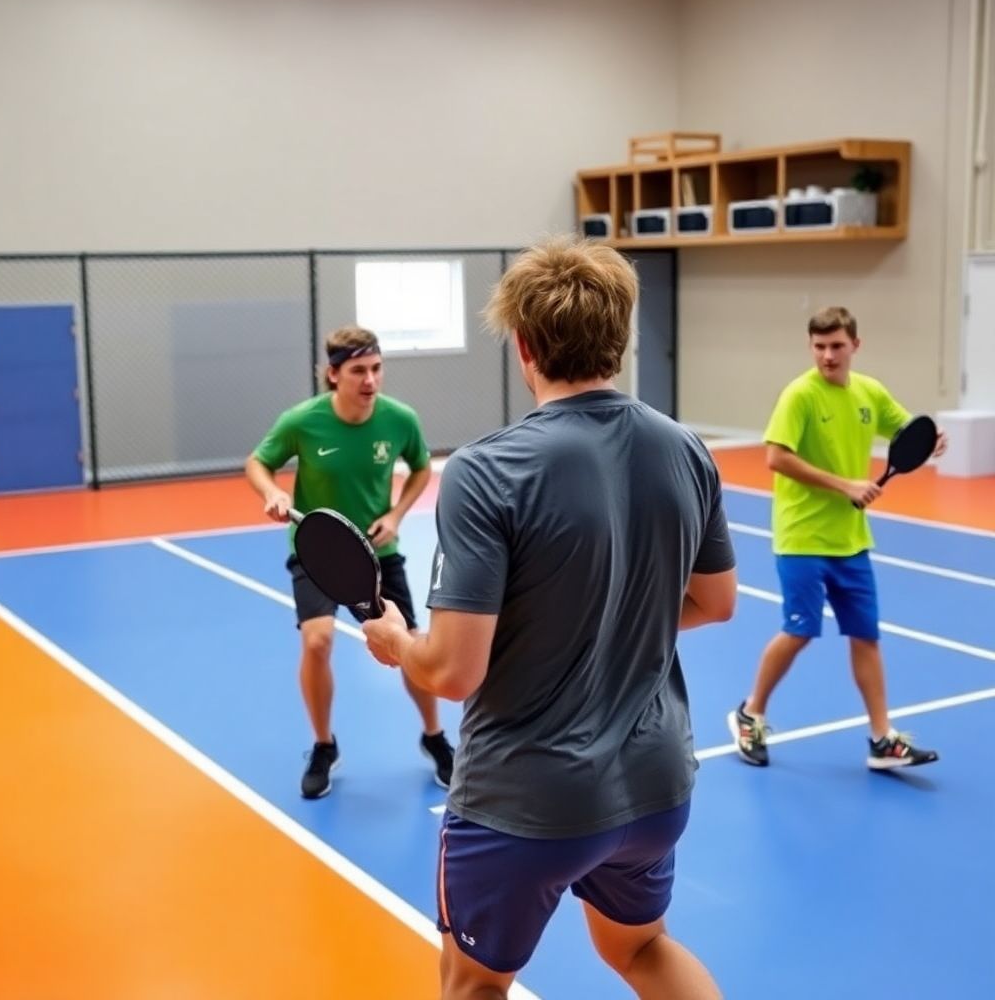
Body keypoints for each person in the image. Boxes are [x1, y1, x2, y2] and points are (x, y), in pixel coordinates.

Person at [362, 236, 737, 1000]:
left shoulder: (487, 468)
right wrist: (599, 617)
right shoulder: (685, 449)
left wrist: (399, 642)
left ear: (524, 345)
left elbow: (456, 670)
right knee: (642, 952)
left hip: (526, 799)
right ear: (622, 339)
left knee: (475, 985)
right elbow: (714, 601)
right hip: (656, 784)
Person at [728, 306, 947, 770]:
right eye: (820, 347)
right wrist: (845, 484)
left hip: (851, 541)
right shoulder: (799, 396)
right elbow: (776, 458)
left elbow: (908, 432)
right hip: (802, 537)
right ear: (812, 347)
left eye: (836, 346)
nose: (828, 356)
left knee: (866, 635)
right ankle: (750, 713)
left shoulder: (869, 393)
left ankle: (881, 739)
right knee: (800, 629)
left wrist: (934, 441)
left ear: (855, 346)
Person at [245, 325, 454, 799]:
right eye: (359, 370)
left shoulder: (400, 419)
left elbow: (421, 466)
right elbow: (257, 462)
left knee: (409, 644)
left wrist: (397, 514)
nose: (371, 381)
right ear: (333, 374)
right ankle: (323, 745)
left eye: (377, 369)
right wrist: (272, 489)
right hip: (316, 553)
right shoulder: (301, 422)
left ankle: (434, 737)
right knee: (317, 642)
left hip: (377, 554)